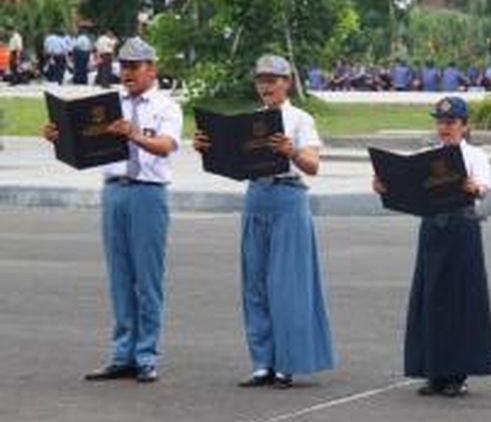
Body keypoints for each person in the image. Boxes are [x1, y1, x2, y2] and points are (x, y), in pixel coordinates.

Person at [42, 37, 183, 383]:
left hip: (148, 194)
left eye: (135, 67)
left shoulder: (165, 107)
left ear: (152, 68)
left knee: (147, 278)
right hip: (115, 192)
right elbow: (83, 141)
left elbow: (165, 146)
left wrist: (134, 135)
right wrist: (59, 137)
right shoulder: (108, 104)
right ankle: (122, 354)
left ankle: (146, 355)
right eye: (124, 66)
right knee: (119, 276)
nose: (128, 73)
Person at [194, 54, 335, 389]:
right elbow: (234, 165)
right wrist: (209, 150)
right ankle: (263, 362)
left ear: (287, 82)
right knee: (255, 283)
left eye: (273, 80)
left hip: (287, 195)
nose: (266, 86)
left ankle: (287, 362)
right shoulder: (251, 120)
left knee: (286, 284)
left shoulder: (300, 119)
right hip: (257, 194)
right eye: (261, 80)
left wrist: (292, 152)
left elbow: (313, 166)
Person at [373, 97, 491, 397]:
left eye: (451, 122)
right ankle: (434, 371)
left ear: (464, 125)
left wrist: (474, 188)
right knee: (431, 296)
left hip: (462, 227)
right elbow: (408, 187)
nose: (445, 128)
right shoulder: (426, 155)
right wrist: (383, 185)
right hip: (433, 227)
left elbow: (483, 188)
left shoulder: (475, 155)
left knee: (460, 298)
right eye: (441, 122)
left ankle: (458, 373)